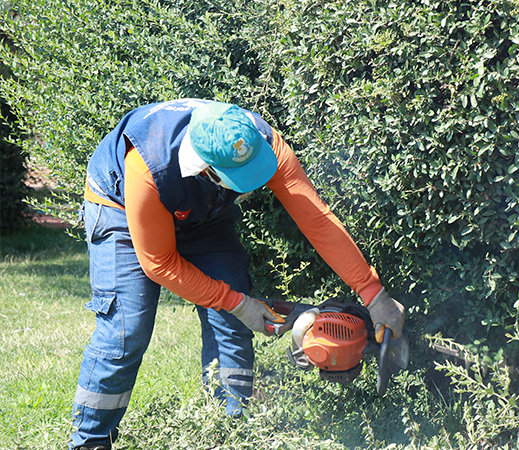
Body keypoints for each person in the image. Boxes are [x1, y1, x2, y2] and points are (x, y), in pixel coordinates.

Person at [70, 98, 405, 450]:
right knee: (127, 330)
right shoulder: (146, 166)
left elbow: (316, 219)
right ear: (206, 170)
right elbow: (160, 262)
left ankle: (228, 431)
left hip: (202, 214)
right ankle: (90, 441)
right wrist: (235, 301)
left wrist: (373, 293)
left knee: (232, 325)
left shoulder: (262, 140)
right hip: (121, 208)